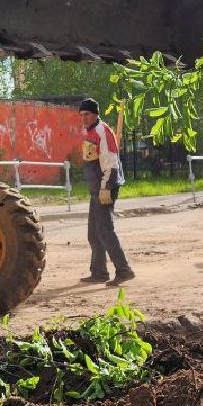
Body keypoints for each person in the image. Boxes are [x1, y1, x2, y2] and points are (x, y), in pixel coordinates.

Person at [78, 98, 133, 286]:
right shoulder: (90, 131)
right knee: (93, 233)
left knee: (105, 231)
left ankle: (124, 270)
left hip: (105, 186)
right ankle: (99, 272)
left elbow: (111, 164)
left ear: (95, 114)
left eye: (87, 114)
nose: (84, 118)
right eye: (81, 115)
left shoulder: (102, 131)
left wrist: (105, 188)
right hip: (97, 188)